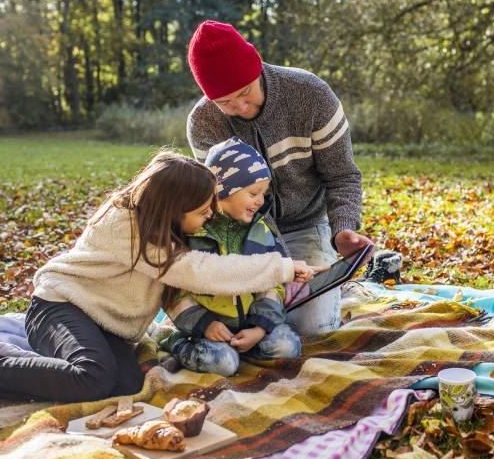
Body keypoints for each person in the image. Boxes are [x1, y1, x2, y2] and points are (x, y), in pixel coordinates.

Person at [0, 149, 314, 403]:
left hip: (102, 323)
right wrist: (281, 267)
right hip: (61, 306)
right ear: (176, 208)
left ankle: (33, 364)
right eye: (203, 210)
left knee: (126, 386)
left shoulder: (160, 225)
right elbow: (201, 271)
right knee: (92, 377)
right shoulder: (129, 228)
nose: (210, 215)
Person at [185, 19, 373, 335]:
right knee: (238, 319)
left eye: (245, 93)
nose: (240, 107)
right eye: (224, 102)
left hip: (307, 223)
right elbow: (216, 201)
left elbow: (342, 175)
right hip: (242, 233)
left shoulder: (311, 95)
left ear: (256, 67)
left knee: (312, 329)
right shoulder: (203, 122)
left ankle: (336, 287)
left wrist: (342, 229)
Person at [159, 138, 302, 376]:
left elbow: (274, 284)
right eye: (253, 193)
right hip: (203, 327)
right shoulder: (194, 231)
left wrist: (260, 327)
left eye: (264, 194)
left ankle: (245, 347)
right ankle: (172, 339)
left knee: (288, 346)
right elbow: (174, 290)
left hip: (250, 323)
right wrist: (204, 324)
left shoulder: (261, 230)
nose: (260, 201)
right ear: (224, 190)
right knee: (223, 364)